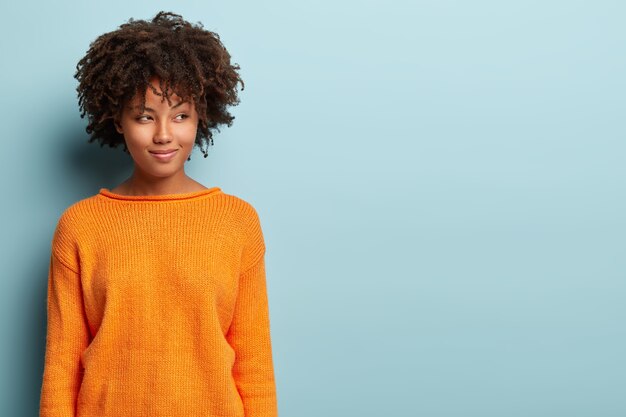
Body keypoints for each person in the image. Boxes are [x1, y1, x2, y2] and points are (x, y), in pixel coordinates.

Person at [39, 11, 278, 417]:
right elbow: (61, 368)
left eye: (181, 115)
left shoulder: (237, 222)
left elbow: (255, 368)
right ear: (117, 120)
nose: (164, 134)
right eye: (145, 116)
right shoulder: (80, 226)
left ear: (202, 116)